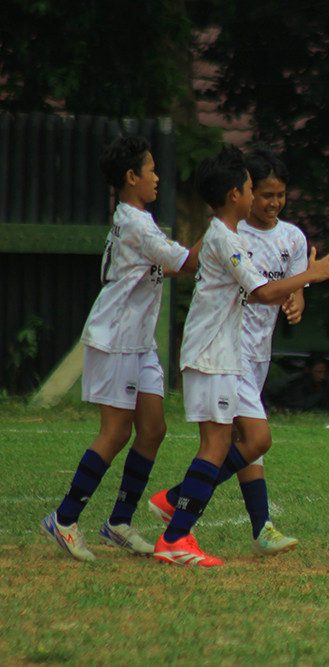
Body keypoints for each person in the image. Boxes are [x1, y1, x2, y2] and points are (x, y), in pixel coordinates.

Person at [151, 144, 329, 567]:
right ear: (238, 195)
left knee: (235, 442)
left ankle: (183, 519)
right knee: (238, 442)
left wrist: (299, 289)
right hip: (218, 354)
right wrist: (311, 275)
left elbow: (267, 291)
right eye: (254, 189)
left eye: (278, 194)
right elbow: (259, 292)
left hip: (229, 355)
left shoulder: (234, 235)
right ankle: (177, 527)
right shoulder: (227, 239)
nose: (268, 200)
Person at [40, 134, 200, 562]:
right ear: (132, 177)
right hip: (116, 339)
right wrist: (222, 227)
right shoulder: (136, 224)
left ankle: (119, 522)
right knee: (115, 432)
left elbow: (166, 268)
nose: (157, 177)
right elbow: (186, 262)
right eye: (151, 170)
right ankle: (64, 518)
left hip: (139, 342)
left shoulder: (138, 220)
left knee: (153, 430)